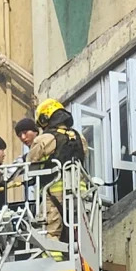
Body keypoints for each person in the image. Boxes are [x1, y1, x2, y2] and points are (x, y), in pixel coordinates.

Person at [26, 99, 87, 244]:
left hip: (54, 194)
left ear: (45, 118)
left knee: (50, 234)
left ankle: (53, 263)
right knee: (81, 234)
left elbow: (30, 163)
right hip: (81, 193)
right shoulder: (79, 137)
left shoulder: (45, 138)